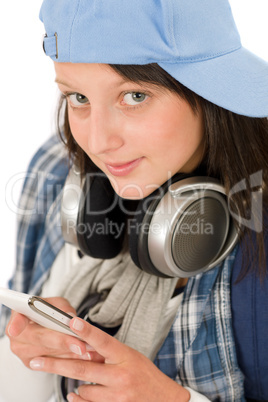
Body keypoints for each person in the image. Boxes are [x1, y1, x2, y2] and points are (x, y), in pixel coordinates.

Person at [0, 0, 268, 401]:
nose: (98, 141)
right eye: (78, 98)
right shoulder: (55, 171)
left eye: (136, 96)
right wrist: (23, 343)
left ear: (210, 91)